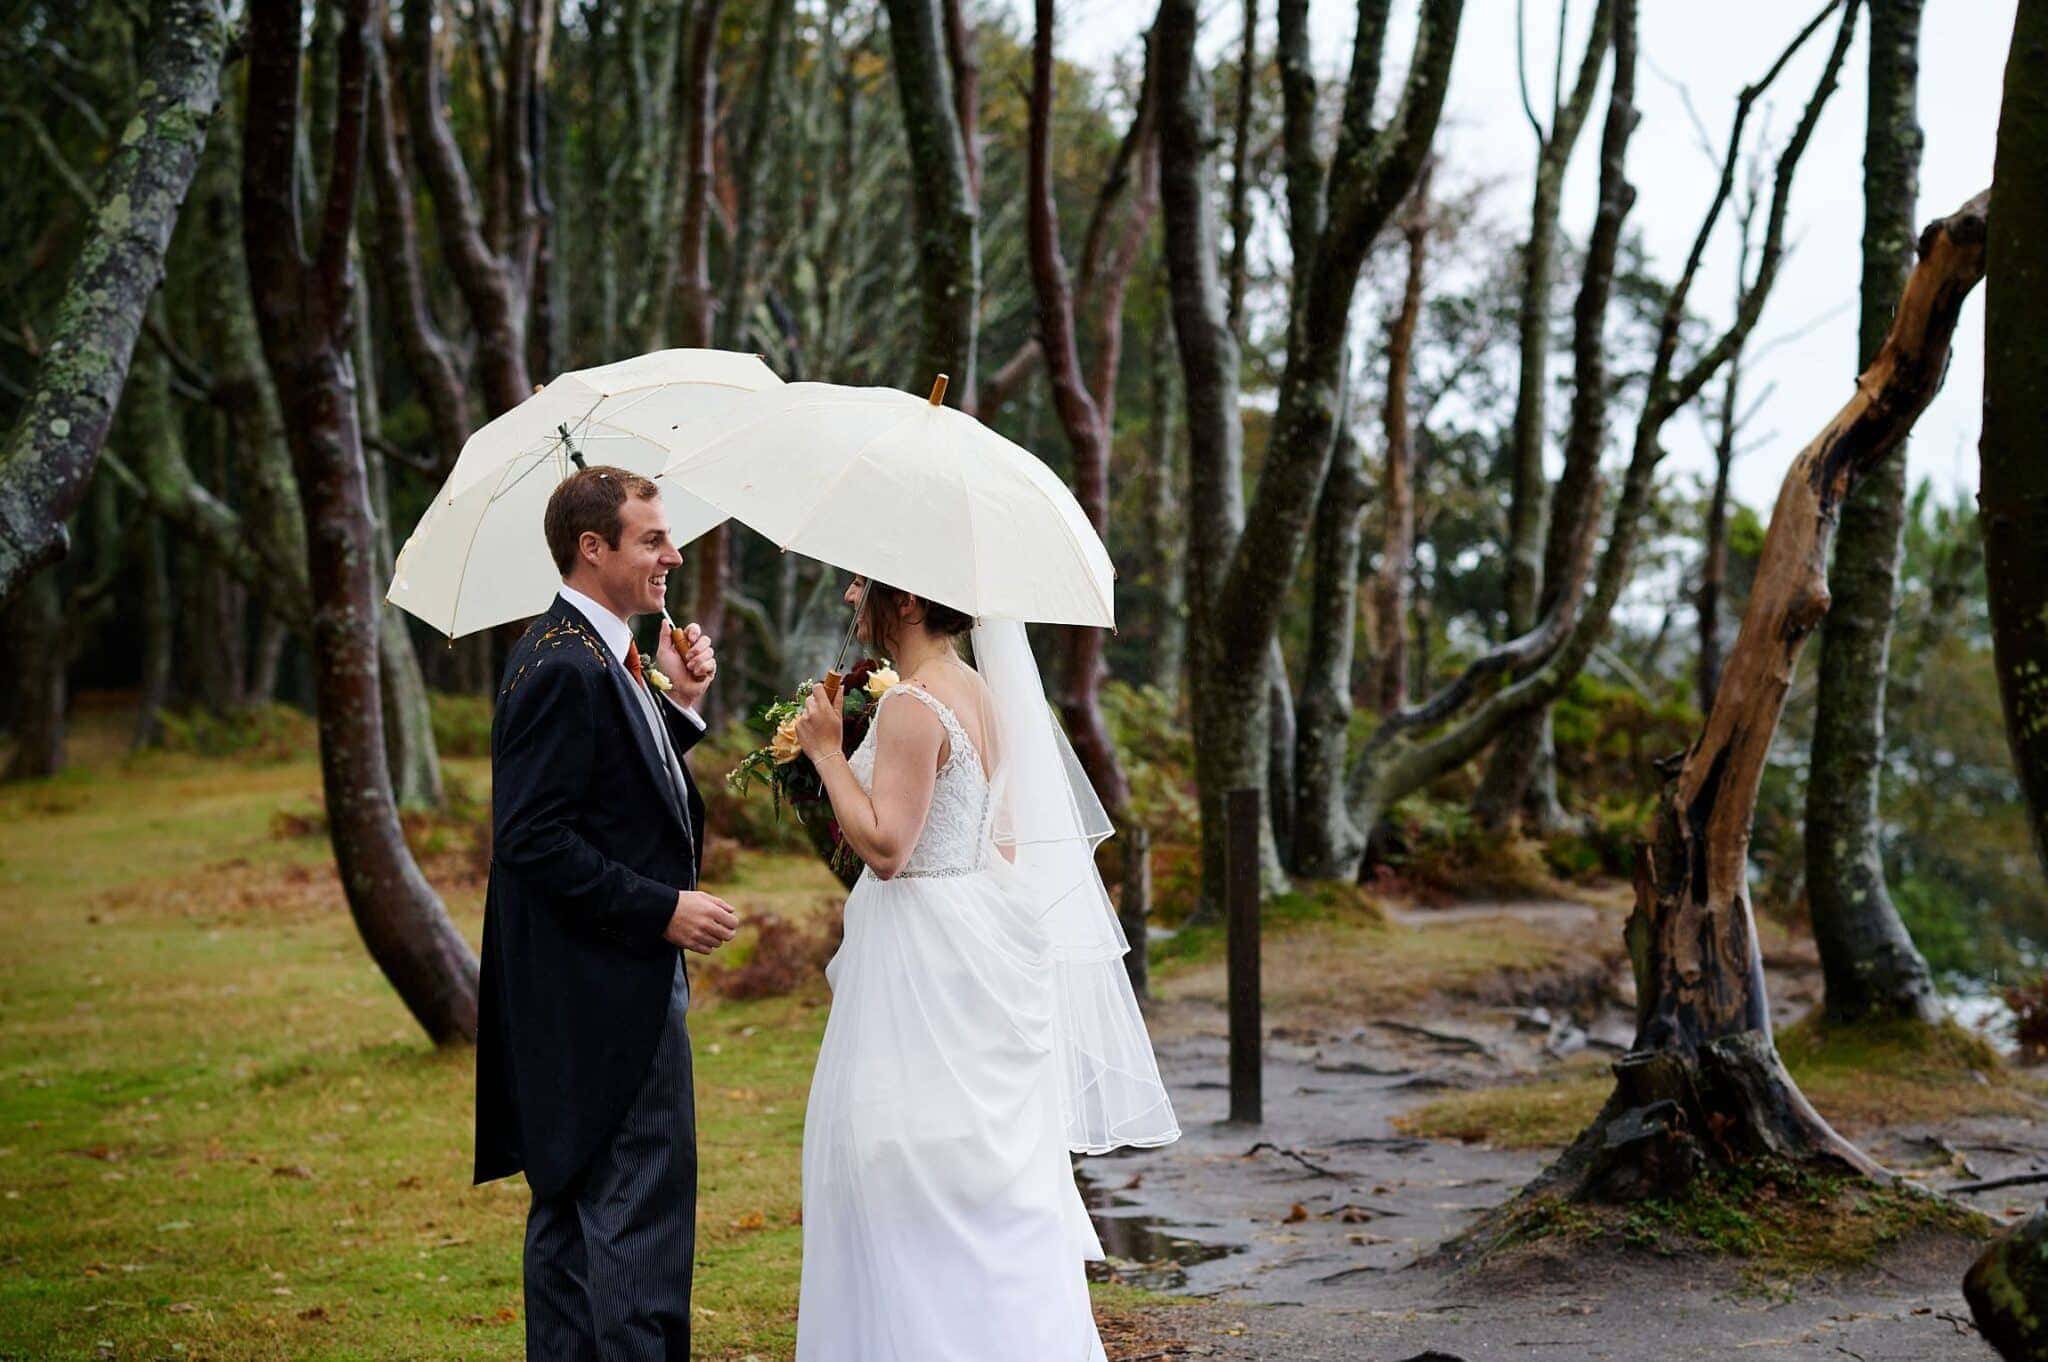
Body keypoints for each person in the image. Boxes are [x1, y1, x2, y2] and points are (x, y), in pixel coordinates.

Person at [790, 576, 1178, 1362]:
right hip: (977, 934)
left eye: (862, 586)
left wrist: (827, 754)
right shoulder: (981, 693)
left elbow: (890, 849)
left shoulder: (911, 705)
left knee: (892, 1162)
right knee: (979, 1174)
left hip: (919, 958)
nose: (848, 601)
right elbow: (995, 843)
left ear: (905, 602)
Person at [474, 464, 740, 1361]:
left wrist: (681, 705)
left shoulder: (591, 654)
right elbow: (532, 840)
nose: (672, 554)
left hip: (585, 994)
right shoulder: (564, 666)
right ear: (594, 548)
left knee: (573, 1231)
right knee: (636, 1238)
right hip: (606, 1000)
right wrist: (663, 909)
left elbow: (606, 785)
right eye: (652, 539)